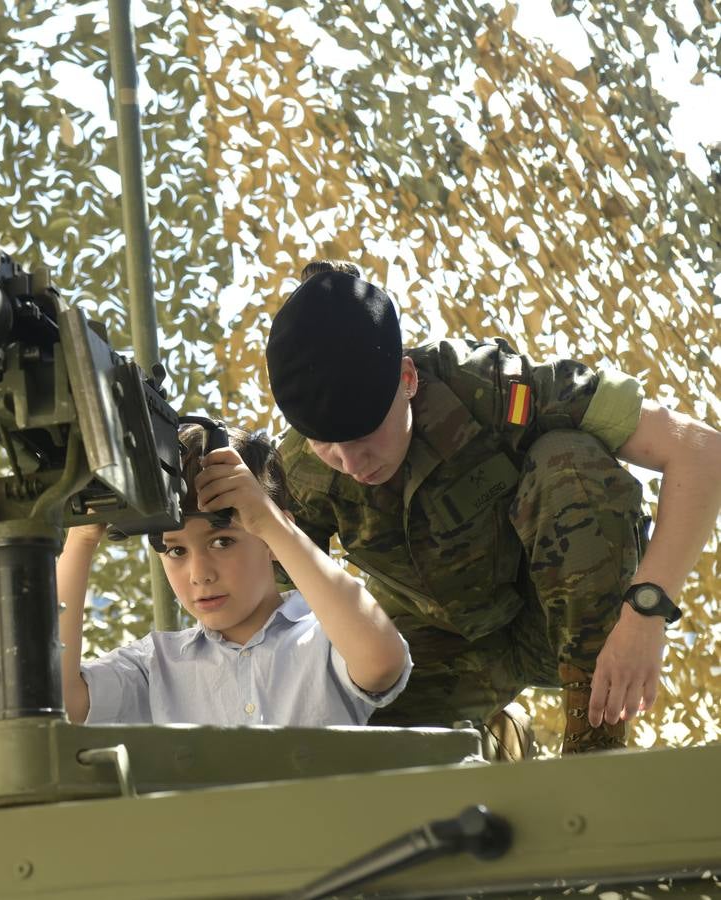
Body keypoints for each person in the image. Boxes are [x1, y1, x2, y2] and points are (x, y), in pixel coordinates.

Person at [264, 260, 721, 753]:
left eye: (367, 432)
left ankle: (594, 745)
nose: (351, 462)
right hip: (435, 648)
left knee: (570, 460)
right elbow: (269, 605)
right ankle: (502, 743)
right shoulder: (301, 473)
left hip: (559, 626)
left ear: (408, 378)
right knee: (341, 743)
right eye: (326, 443)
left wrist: (644, 617)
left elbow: (702, 452)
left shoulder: (497, 389)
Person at [57, 423, 412, 727]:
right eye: (176, 551)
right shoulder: (154, 667)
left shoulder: (327, 636)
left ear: (273, 534)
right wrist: (82, 535)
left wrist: (268, 520)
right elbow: (57, 698)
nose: (200, 575)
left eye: (222, 541)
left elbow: (381, 662)